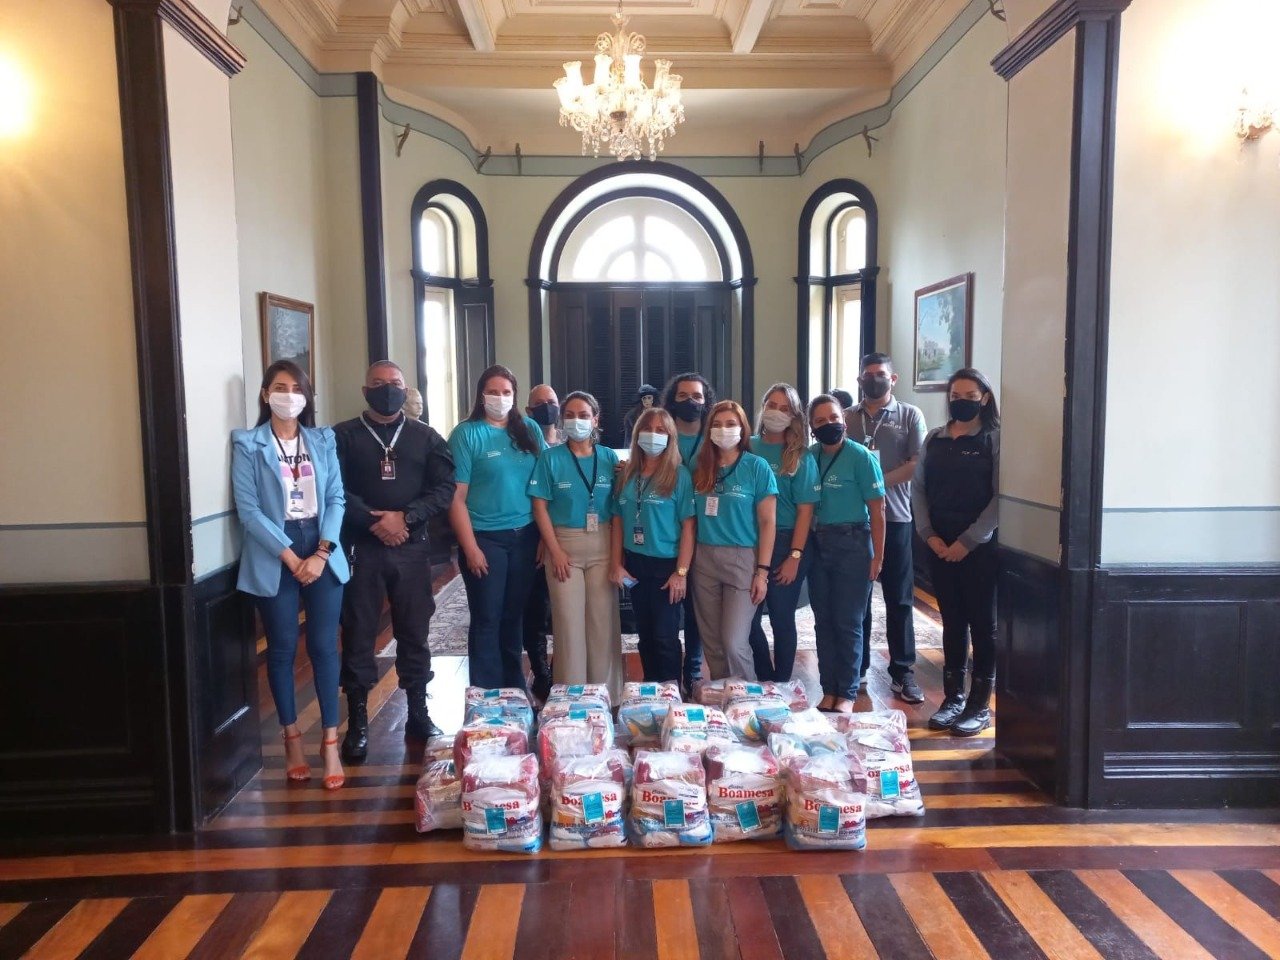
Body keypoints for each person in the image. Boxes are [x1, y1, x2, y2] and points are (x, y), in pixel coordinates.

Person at [231, 361, 349, 789]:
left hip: (320, 542)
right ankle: (293, 739)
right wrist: (290, 557)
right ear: (266, 394)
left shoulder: (322, 439)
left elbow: (336, 498)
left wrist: (320, 553)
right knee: (281, 648)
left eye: (297, 388)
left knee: (324, 647)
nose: (289, 395)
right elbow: (249, 511)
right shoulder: (248, 444)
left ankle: (330, 742)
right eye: (280, 387)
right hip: (274, 549)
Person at [334, 361, 456, 761]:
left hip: (411, 544)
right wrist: (374, 521)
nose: (387, 389)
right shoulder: (343, 436)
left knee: (414, 629)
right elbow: (333, 488)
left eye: (395, 383)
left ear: (406, 389)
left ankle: (418, 713)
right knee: (358, 631)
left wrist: (406, 518)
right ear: (365, 390)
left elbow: (444, 488)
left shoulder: (426, 437)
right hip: (362, 547)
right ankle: (358, 721)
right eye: (379, 383)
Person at [448, 365, 548, 691]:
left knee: (513, 615)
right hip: (484, 538)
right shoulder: (466, 434)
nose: (500, 398)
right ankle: (487, 694)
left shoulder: (529, 429)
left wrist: (545, 538)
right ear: (481, 395)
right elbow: (456, 498)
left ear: (514, 396)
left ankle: (514, 689)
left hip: (526, 536)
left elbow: (546, 483)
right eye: (493, 392)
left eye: (506, 392)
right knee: (487, 617)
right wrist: (470, 548)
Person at [912, 367, 1000, 736]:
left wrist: (969, 541)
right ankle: (953, 699)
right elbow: (918, 489)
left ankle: (979, 705)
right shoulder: (935, 438)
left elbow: (1000, 496)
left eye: (970, 396)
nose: (961, 402)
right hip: (938, 543)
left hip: (978, 548)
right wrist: (928, 534)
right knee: (952, 621)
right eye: (955, 396)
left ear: (985, 398)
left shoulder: (994, 440)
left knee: (982, 624)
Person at [529, 391, 624, 702]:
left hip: (603, 544)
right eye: (569, 415)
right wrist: (554, 550)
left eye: (584, 415)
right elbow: (540, 506)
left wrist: (617, 559)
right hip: (564, 546)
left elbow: (619, 508)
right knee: (568, 625)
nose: (576, 421)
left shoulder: (610, 459)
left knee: (602, 624)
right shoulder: (550, 458)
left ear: (595, 420)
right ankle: (571, 700)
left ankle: (606, 697)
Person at [852, 353, 927, 703]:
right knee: (859, 599)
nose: (873, 379)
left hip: (896, 518)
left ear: (893, 379)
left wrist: (875, 483)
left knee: (899, 599)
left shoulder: (910, 415)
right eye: (867, 375)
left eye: (880, 374)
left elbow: (916, 464)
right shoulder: (847, 418)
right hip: (855, 521)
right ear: (859, 380)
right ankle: (859, 667)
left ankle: (902, 671)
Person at [807, 394, 886, 713]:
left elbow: (878, 511)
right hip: (818, 544)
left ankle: (848, 694)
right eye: (820, 420)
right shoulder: (809, 457)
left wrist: (878, 557)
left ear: (844, 421)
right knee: (823, 621)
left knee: (849, 621)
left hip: (854, 543)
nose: (829, 424)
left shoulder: (861, 457)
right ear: (812, 428)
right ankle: (829, 689)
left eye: (834, 418)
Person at [690, 400, 777, 680]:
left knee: (734, 641)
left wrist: (762, 572)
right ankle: (722, 695)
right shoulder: (699, 465)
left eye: (730, 424)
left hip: (742, 558)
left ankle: (746, 698)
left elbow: (768, 522)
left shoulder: (756, 467)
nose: (723, 429)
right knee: (712, 642)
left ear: (742, 429)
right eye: (716, 424)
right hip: (703, 557)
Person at [610, 408, 696, 683]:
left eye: (661, 430)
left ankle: (671, 691)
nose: (653, 435)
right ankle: (651, 689)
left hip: (667, 566)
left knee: (664, 636)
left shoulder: (679, 475)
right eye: (647, 429)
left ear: (670, 437)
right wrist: (616, 564)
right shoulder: (626, 474)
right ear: (637, 434)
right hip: (635, 564)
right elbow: (618, 521)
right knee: (645, 634)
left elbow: (689, 527)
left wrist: (681, 573)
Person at [747, 384, 819, 682]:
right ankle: (765, 675)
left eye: (785, 408)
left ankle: (782, 683)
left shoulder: (800, 456)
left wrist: (795, 556)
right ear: (763, 408)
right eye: (772, 405)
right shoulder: (747, 446)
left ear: (794, 416)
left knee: (781, 616)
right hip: (748, 541)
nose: (776, 412)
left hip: (788, 542)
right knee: (748, 620)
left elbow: (806, 511)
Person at [661, 372, 716, 693]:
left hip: (707, 533)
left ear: (706, 401)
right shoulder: (662, 434)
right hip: (668, 534)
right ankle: (667, 673)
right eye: (682, 396)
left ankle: (693, 671)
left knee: (698, 609)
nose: (690, 402)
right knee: (668, 607)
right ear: (672, 400)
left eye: (696, 396)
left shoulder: (715, 437)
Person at [522, 383, 562, 701]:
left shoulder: (569, 444)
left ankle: (563, 668)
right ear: (528, 410)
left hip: (566, 537)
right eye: (539, 402)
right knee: (536, 609)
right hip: (533, 535)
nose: (546, 407)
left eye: (551, 401)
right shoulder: (523, 446)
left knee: (564, 609)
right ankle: (541, 670)